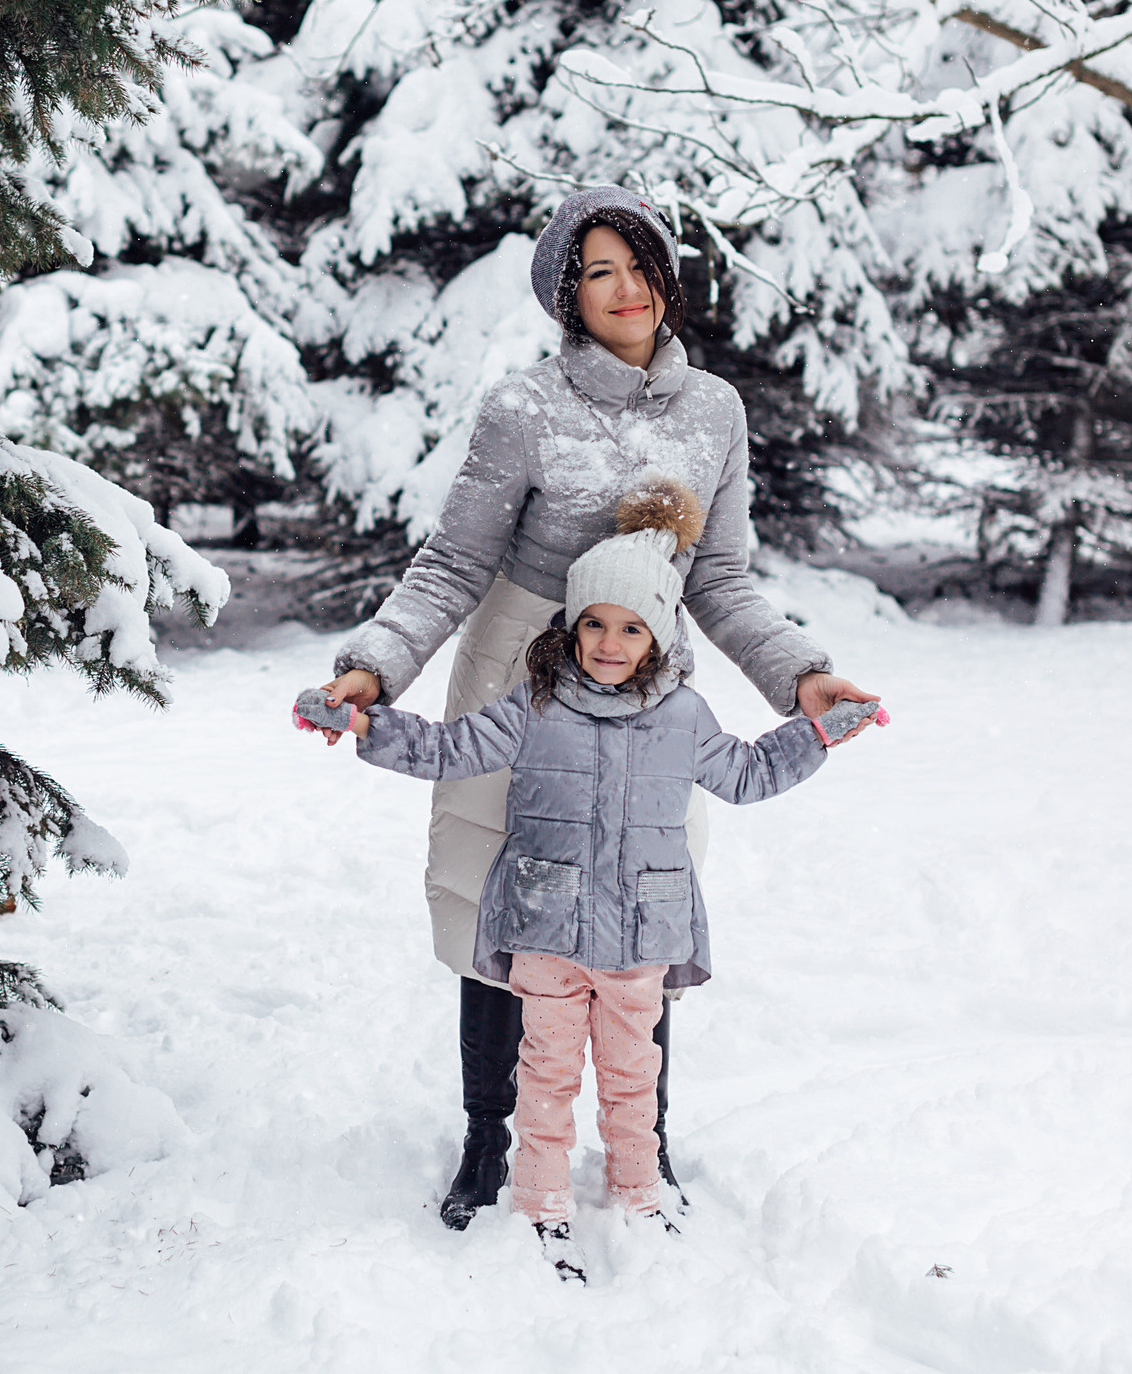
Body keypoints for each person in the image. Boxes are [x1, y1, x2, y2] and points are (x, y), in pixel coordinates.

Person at [311, 184, 879, 1229]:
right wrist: (374, 669)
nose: (622, 289)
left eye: (636, 265)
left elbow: (723, 580)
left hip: (649, 668)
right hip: (521, 663)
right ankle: (491, 1136)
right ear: (568, 298)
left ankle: (639, 1139)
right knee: (503, 901)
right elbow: (451, 564)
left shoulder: (714, 410)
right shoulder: (523, 408)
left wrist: (800, 674)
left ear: (665, 274)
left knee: (640, 895)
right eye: (595, 272)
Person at [313, 483, 858, 1279]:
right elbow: (444, 750)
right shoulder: (534, 705)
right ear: (570, 626)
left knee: (637, 1076)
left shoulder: (683, 716)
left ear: (659, 636)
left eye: (631, 626)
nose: (609, 641)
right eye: (594, 622)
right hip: (548, 926)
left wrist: (817, 734)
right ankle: (539, 1200)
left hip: (643, 930)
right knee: (544, 1073)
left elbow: (747, 772)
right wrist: (363, 723)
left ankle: (639, 1190)